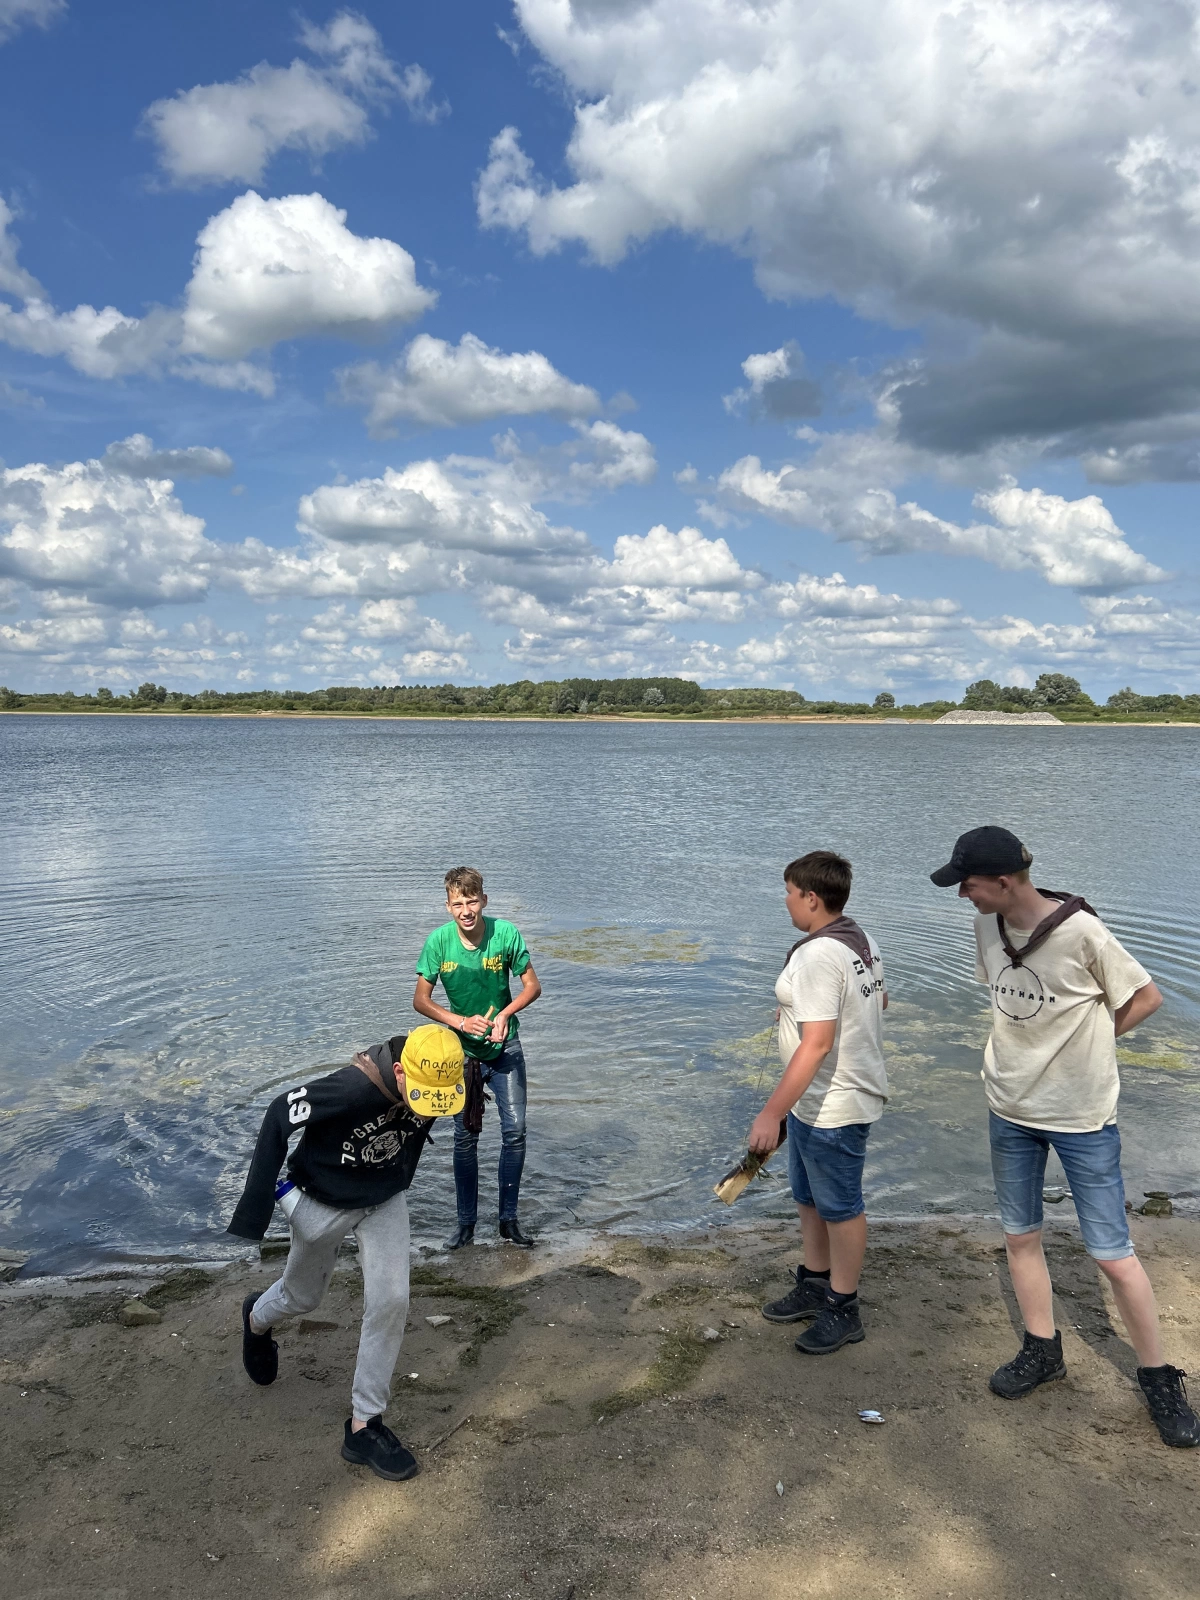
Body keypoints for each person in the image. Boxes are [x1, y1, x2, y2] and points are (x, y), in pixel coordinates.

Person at [931, 825, 1199, 1448]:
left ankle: (1159, 1377)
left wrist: (1091, 1046)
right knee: (1020, 1236)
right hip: (1009, 1105)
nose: (960, 893)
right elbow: (1011, 1005)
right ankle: (1042, 1348)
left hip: (1082, 1115)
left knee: (1112, 1253)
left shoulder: (1082, 931)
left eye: (967, 883)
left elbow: (1146, 997)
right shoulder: (987, 926)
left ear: (1004, 880)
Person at [227, 1025, 467, 1481]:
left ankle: (363, 1426)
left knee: (392, 1300)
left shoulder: (449, 1074)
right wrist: (255, 1211)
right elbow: (279, 1112)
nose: (429, 1107)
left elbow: (465, 1077)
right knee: (303, 1299)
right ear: (399, 1071)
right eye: (421, 1095)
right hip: (323, 1201)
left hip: (385, 1199)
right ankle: (257, 1318)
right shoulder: (351, 1088)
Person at [750, 850, 888, 1355]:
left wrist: (771, 1112)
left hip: (836, 1100)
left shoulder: (816, 955)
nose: (785, 901)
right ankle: (814, 1280)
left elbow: (817, 1043)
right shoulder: (860, 939)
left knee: (841, 1206)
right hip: (817, 1096)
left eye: (788, 892)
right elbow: (880, 1000)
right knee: (808, 1197)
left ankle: (843, 1307)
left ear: (811, 897)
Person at [413, 867, 542, 1250]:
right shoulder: (438, 942)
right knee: (464, 1139)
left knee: (515, 1133)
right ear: (448, 906)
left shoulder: (506, 934)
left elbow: (532, 985)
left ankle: (508, 1221)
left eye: (472, 901)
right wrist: (458, 1021)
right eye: (458, 903)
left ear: (484, 901)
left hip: (506, 1048)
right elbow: (420, 1000)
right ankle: (465, 1225)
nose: (466, 910)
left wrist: (504, 1015)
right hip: (461, 1056)